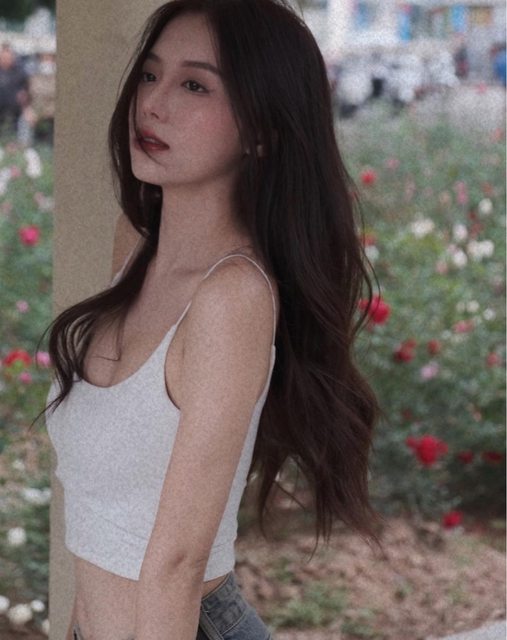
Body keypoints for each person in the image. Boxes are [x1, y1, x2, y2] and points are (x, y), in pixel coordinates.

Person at [33, 1, 386, 638]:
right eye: (150, 74)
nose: (152, 103)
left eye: (194, 85)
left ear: (261, 131)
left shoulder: (231, 299)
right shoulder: (134, 249)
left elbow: (176, 565)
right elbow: (101, 526)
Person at [0, 42, 31, 143]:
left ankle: (23, 145)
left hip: (17, 109)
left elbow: (26, 91)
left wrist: (26, 107)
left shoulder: (20, 72)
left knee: (26, 118)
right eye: (3, 57)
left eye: (9, 57)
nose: (6, 60)